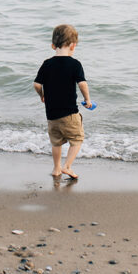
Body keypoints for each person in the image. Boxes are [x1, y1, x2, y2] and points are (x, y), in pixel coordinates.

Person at [33, 24, 93, 180]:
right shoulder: (75, 64)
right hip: (69, 113)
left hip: (51, 114)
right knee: (77, 139)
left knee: (56, 142)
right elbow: (82, 84)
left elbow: (37, 84)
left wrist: (42, 95)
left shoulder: (47, 64)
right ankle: (67, 166)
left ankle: (56, 169)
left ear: (53, 45)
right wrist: (87, 99)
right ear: (73, 46)